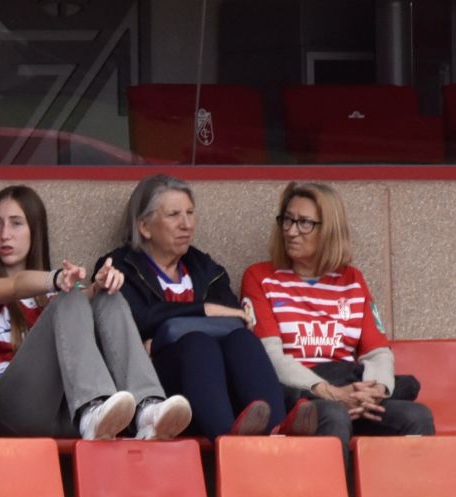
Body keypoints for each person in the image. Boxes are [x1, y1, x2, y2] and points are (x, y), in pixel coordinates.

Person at [0, 186, 192, 441]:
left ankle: (147, 408)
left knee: (109, 297)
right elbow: (16, 285)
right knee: (69, 296)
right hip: (13, 411)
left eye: (16, 224)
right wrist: (57, 279)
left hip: (68, 414)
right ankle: (91, 407)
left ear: (35, 231)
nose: (5, 234)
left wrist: (100, 286)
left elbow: (84, 299)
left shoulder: (59, 291)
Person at [103, 174, 316, 439]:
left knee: (242, 340)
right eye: (173, 215)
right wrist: (205, 311)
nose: (187, 225)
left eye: (190, 213)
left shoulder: (205, 268)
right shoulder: (119, 267)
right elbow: (135, 320)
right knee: (198, 344)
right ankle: (227, 440)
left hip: (218, 388)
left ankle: (276, 430)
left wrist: (165, 333)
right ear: (145, 226)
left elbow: (237, 321)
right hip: (159, 396)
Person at [240, 181, 435, 446]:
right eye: (287, 220)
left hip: (350, 390)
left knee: (417, 416)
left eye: (304, 223)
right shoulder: (260, 277)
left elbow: (377, 353)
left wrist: (376, 391)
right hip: (300, 396)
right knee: (333, 415)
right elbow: (270, 357)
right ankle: (331, 489)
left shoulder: (352, 280)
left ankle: (410, 490)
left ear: (329, 231)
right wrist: (329, 392)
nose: (291, 232)